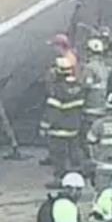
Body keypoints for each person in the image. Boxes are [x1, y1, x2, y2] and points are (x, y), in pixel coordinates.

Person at [41, 58, 85, 187]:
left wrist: (44, 126)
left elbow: (52, 111)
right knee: (74, 153)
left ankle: (60, 179)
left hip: (59, 129)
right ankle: (76, 176)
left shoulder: (57, 89)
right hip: (74, 127)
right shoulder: (77, 86)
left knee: (58, 155)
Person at [80, 38, 112, 128]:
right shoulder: (104, 66)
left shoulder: (89, 67)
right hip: (102, 107)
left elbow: (86, 86)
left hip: (90, 109)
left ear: (90, 51)